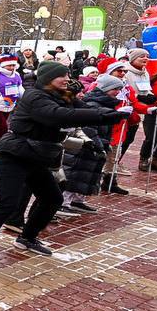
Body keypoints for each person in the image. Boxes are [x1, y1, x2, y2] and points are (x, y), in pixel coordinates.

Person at [0, 62, 122, 274]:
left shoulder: (60, 95)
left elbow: (83, 107)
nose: (66, 79)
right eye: (61, 76)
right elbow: (58, 116)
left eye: (67, 75)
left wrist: (113, 109)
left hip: (37, 156)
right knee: (7, 204)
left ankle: (27, 237)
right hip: (15, 154)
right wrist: (102, 116)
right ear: (48, 78)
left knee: (52, 198)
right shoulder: (34, 96)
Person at [61, 74, 128, 212]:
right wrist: (98, 144)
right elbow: (89, 128)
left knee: (86, 175)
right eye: (114, 89)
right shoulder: (93, 103)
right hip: (86, 146)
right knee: (75, 174)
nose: (117, 92)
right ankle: (64, 202)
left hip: (97, 144)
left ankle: (77, 200)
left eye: (119, 89)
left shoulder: (106, 103)